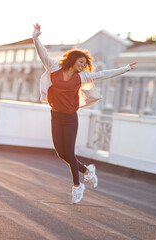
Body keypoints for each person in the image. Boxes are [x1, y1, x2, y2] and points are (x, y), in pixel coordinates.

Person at [33, 23, 137, 203]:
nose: (83, 65)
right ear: (72, 60)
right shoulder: (53, 67)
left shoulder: (83, 77)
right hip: (55, 115)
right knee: (60, 153)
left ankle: (77, 185)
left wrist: (125, 68)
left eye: (85, 63)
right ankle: (88, 171)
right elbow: (42, 52)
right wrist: (35, 37)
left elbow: (104, 74)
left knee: (70, 153)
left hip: (70, 118)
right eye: (81, 62)